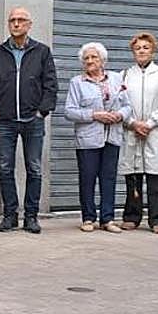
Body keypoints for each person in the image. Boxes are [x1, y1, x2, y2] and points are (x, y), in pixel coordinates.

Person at [0, 7, 59, 234]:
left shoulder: (41, 52)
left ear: (29, 24)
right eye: (13, 20)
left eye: (21, 20)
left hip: (32, 120)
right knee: (5, 168)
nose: (16, 24)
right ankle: (10, 215)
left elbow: (50, 85)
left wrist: (42, 111)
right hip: (5, 121)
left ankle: (32, 216)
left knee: (34, 168)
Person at [65, 42, 132, 233]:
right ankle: (88, 218)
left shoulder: (117, 79)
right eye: (86, 58)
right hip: (87, 139)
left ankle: (107, 219)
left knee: (108, 178)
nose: (89, 61)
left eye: (93, 57)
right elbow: (69, 111)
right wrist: (94, 115)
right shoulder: (77, 82)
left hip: (112, 136)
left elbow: (128, 106)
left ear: (103, 60)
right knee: (87, 178)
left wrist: (119, 115)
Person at [118, 32, 158, 233]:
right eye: (138, 48)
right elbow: (120, 103)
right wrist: (133, 123)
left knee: (155, 176)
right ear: (133, 51)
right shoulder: (125, 75)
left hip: (154, 132)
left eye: (146, 47)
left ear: (153, 50)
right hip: (132, 131)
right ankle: (132, 216)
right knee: (132, 176)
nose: (142, 51)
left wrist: (149, 123)